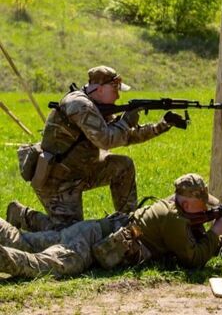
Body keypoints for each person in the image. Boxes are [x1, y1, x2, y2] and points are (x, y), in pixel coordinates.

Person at [8, 66, 185, 232]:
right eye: (115, 90)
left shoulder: (96, 105)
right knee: (70, 234)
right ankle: (22, 215)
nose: (117, 97)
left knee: (123, 166)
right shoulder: (79, 105)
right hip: (58, 181)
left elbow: (125, 135)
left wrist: (162, 125)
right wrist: (126, 121)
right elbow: (106, 140)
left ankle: (128, 224)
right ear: (100, 88)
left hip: (83, 171)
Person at [0, 173, 222, 278]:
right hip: (89, 245)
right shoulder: (174, 220)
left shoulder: (173, 205)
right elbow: (193, 259)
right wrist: (217, 232)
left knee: (27, 242)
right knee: (45, 265)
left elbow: (204, 243)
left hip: (93, 229)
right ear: (190, 203)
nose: (207, 210)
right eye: (203, 205)